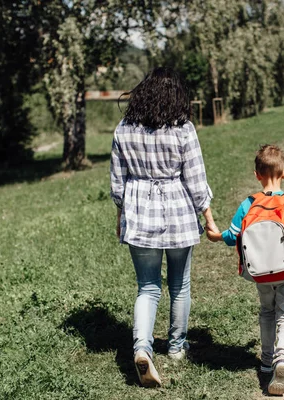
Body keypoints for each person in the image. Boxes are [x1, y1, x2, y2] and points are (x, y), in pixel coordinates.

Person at [110, 67, 218, 387]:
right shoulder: (183, 128)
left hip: (139, 211)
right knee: (179, 284)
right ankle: (175, 347)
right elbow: (196, 180)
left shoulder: (123, 128)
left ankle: (142, 347)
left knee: (147, 287)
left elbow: (118, 182)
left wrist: (120, 214)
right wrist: (209, 219)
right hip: (178, 212)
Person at [205, 144, 284, 396]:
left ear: (256, 174)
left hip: (260, 271)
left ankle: (266, 360)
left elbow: (233, 236)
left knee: (266, 311)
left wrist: (217, 236)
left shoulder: (248, 204)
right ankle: (282, 359)